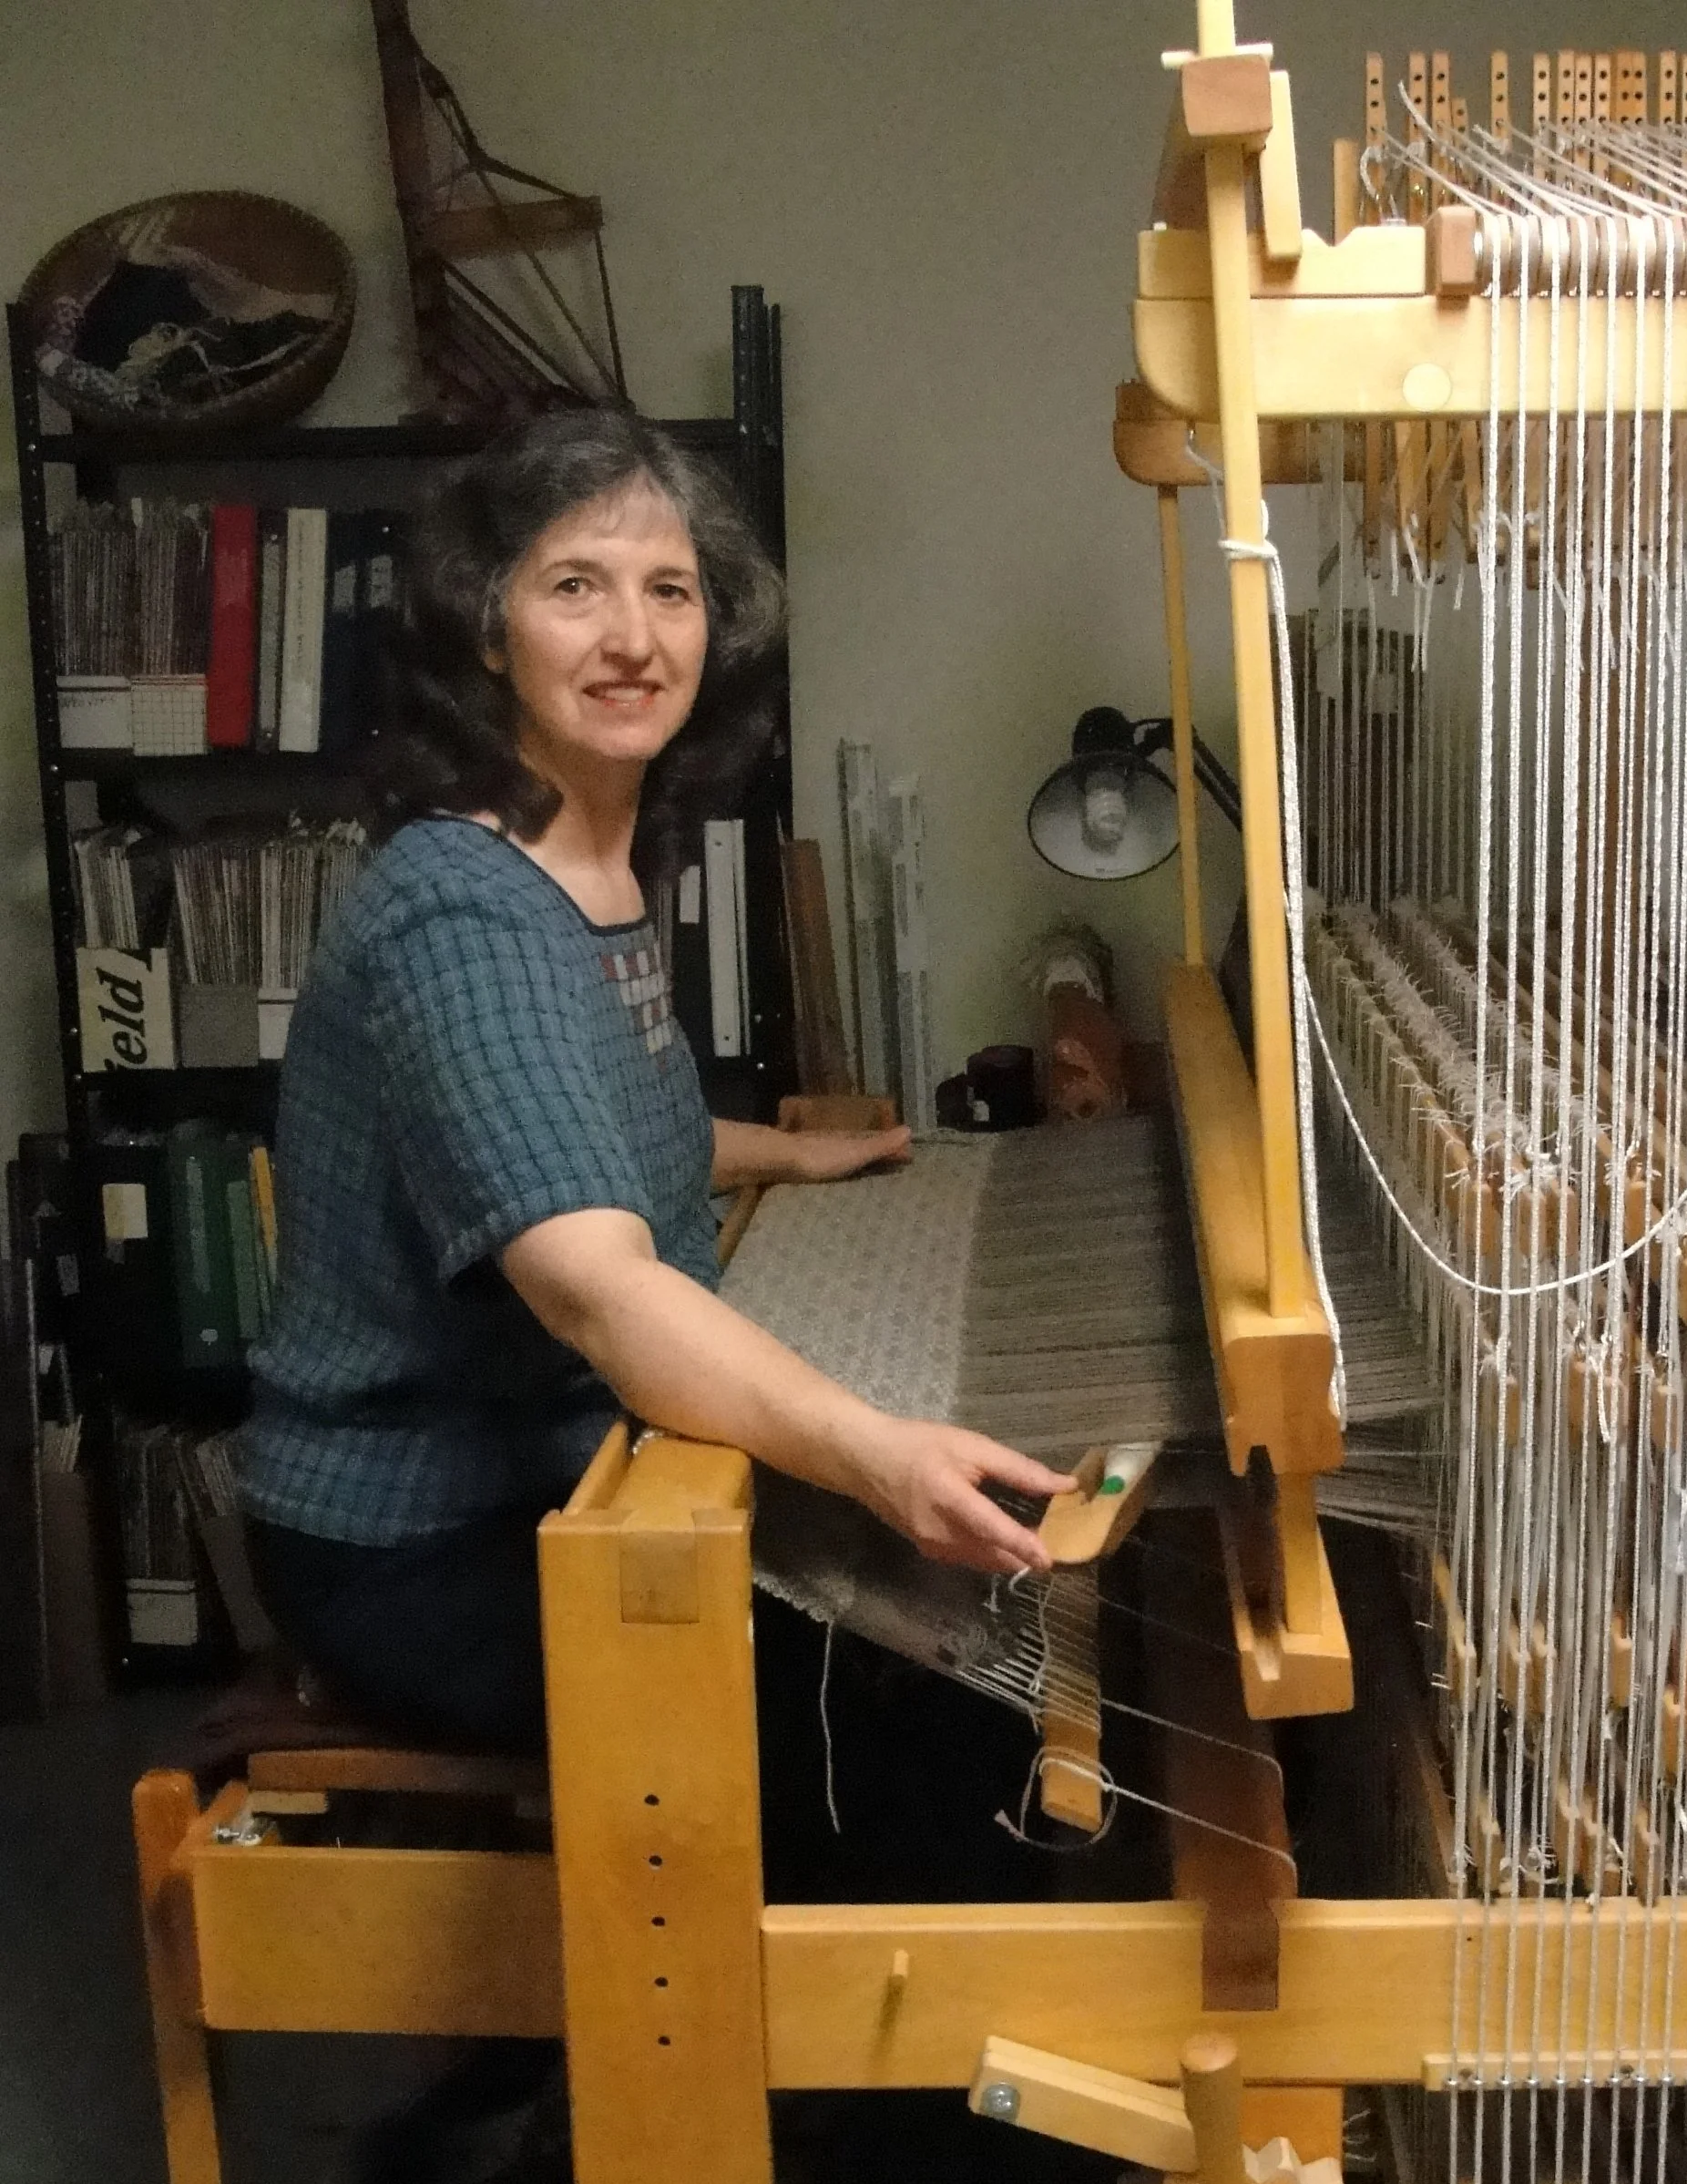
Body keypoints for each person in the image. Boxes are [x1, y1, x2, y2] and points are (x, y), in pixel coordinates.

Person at [237, 405, 1067, 1754]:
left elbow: (582, 1115)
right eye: (576, 587)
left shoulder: (598, 862)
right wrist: (876, 1453)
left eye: (669, 591)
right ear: (489, 631)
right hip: (420, 1541)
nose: (633, 638)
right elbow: (596, 1286)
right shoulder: (466, 909)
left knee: (932, 1644)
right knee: (912, 1719)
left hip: (567, 1471)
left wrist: (790, 1156)